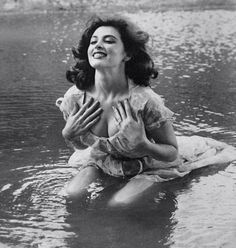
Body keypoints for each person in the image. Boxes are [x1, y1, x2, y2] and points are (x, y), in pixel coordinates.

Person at [56, 16, 236, 206]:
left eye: (108, 41)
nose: (98, 45)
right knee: (70, 194)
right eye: (94, 41)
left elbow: (172, 152)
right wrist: (68, 134)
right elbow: (81, 147)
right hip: (103, 160)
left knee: (118, 204)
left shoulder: (145, 101)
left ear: (127, 54)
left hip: (148, 165)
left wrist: (143, 144)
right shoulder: (75, 98)